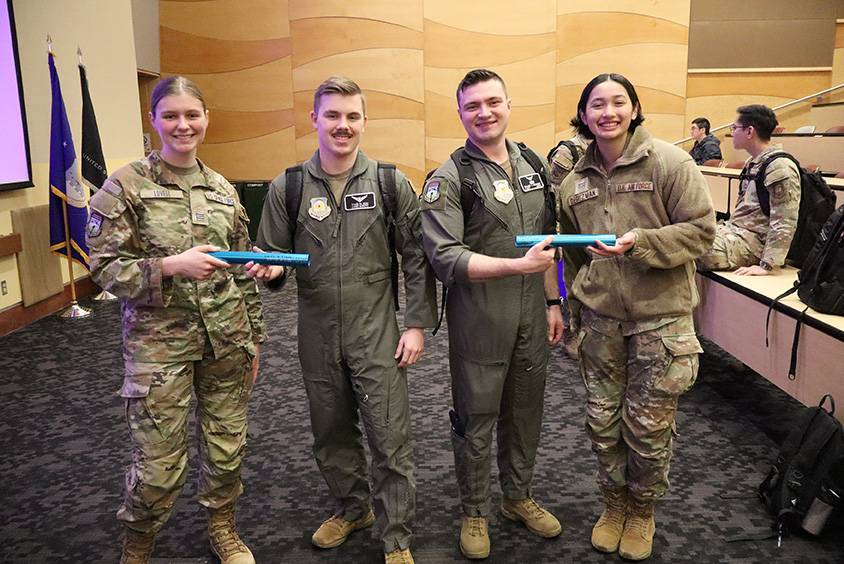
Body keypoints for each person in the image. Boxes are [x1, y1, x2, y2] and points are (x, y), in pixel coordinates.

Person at [251, 76, 437, 564]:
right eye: (332, 115)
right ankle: (354, 508)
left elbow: (416, 257)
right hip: (316, 333)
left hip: (377, 332)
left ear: (364, 122)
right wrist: (269, 270)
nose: (343, 126)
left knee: (389, 435)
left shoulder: (390, 184)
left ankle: (396, 537)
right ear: (314, 119)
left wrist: (416, 323)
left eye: (352, 116)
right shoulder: (287, 187)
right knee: (331, 432)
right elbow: (271, 259)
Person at [87, 76, 264, 564]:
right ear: (153, 121)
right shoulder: (125, 185)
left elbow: (243, 268)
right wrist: (168, 266)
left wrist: (255, 339)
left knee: (227, 449)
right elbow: (102, 267)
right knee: (158, 465)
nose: (182, 125)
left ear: (206, 119)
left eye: (192, 115)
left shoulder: (223, 189)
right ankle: (138, 541)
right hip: (157, 349)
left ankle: (223, 528)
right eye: (170, 115)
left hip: (227, 342)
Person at [558, 73, 715, 561]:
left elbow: (701, 233)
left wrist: (642, 243)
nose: (608, 112)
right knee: (602, 424)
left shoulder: (669, 161)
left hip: (660, 322)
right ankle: (614, 505)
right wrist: (575, 308)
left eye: (618, 102)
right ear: (583, 115)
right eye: (597, 104)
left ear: (634, 108)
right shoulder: (572, 182)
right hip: (601, 323)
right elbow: (574, 256)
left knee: (647, 430)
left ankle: (642, 511)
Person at [420, 68, 564, 560]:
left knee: (526, 411)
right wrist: (516, 266)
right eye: (473, 106)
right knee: (477, 417)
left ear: (508, 104)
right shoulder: (449, 177)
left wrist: (552, 299)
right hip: (479, 317)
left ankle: (517, 497)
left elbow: (550, 242)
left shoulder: (533, 164)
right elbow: (446, 258)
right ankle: (474, 509)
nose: (485, 113)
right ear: (460, 113)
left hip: (531, 313)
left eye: (493, 102)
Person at [696, 105, 800, 275]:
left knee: (690, 249)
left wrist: (766, 265)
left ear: (750, 131)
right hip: (736, 233)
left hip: (755, 243)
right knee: (683, 236)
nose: (732, 133)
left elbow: (785, 220)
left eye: (735, 128)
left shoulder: (779, 167)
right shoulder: (753, 162)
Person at [548, 129, 591, 360]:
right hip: (575, 229)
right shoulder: (569, 151)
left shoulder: (612, 147)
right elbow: (556, 197)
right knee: (575, 284)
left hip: (603, 228)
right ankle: (575, 335)